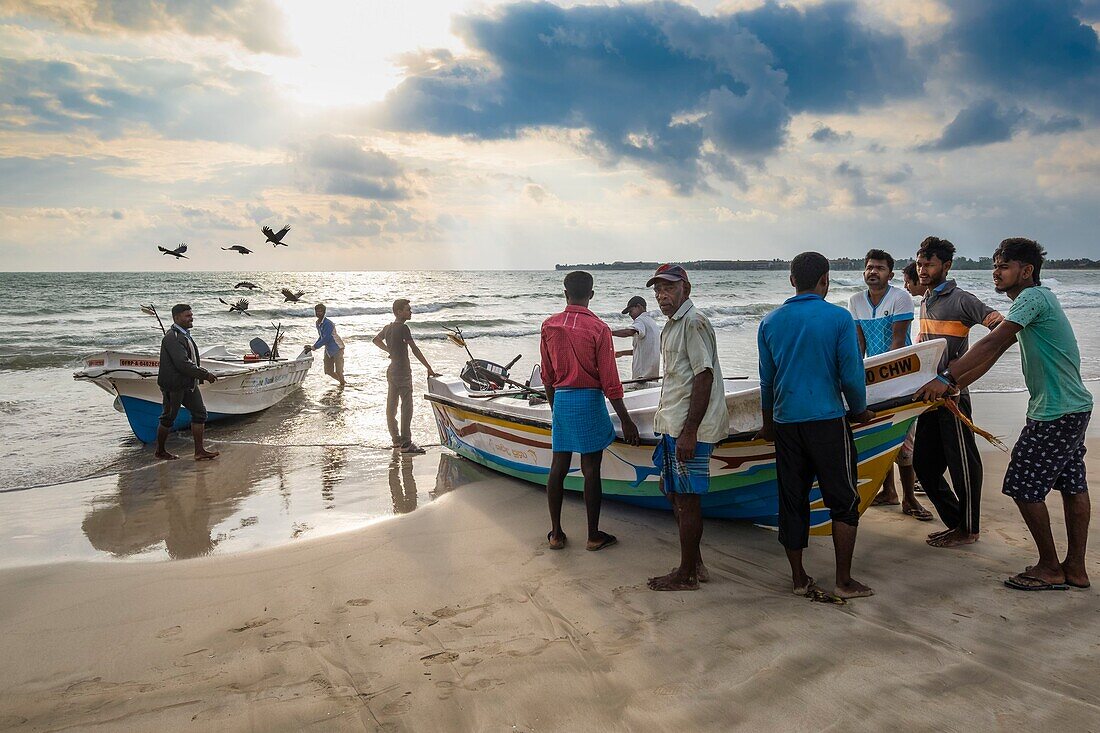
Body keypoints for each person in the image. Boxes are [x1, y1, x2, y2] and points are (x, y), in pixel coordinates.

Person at [916, 238, 1093, 590]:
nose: (996, 272)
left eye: (1004, 266)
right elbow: (993, 352)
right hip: (1073, 406)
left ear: (1026, 271)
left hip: (1054, 412)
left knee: (1023, 486)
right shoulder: (1035, 304)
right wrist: (956, 385)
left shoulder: (1032, 298)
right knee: (1073, 485)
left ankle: (1049, 566)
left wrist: (947, 376)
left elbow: (992, 342)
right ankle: (1074, 568)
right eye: (995, 265)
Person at [757, 252, 876, 599]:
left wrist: (768, 426)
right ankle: (843, 579)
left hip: (785, 424)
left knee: (792, 501)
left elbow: (768, 382)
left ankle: (798, 578)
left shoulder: (770, 322)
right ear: (826, 279)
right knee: (843, 500)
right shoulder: (839, 319)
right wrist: (860, 410)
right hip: (827, 422)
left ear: (792, 280)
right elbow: (851, 376)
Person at [541, 271, 641, 552]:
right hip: (589, 401)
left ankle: (557, 534)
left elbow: (547, 376)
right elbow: (611, 381)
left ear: (564, 293)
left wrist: (556, 407)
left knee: (558, 467)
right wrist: (626, 420)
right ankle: (593, 535)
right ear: (592, 295)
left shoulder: (549, 326)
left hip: (562, 399)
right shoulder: (599, 329)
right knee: (590, 469)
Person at [913, 236, 1003, 548]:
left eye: (929, 264)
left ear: (946, 266)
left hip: (952, 396)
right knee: (923, 465)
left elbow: (999, 326)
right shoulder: (926, 299)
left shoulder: (961, 299)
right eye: (920, 264)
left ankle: (969, 528)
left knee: (962, 462)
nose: (922, 269)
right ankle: (957, 523)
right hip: (929, 398)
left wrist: (961, 370)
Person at [644, 265, 730, 591]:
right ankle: (695, 563)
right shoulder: (672, 326)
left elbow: (703, 376)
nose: (662, 296)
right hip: (673, 422)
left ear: (686, 289)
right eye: (658, 290)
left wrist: (690, 431)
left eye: (668, 288)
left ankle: (688, 574)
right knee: (673, 491)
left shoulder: (693, 323)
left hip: (687, 427)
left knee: (687, 498)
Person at [847, 250, 931, 521]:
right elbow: (859, 344)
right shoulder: (856, 301)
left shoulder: (900, 297)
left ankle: (909, 498)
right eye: (870, 267)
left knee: (905, 440)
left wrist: (886, 380)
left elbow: (897, 342)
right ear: (864, 272)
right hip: (872, 377)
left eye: (880, 268)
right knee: (879, 436)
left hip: (899, 377)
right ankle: (888, 492)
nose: (874, 272)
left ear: (890, 274)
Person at [373, 299, 440, 454]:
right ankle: (406, 443)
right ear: (399, 312)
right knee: (406, 406)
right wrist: (428, 367)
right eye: (408, 309)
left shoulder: (388, 328)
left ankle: (396, 440)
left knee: (391, 406)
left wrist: (389, 350)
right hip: (403, 371)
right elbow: (414, 349)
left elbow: (376, 340)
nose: (410, 312)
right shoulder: (404, 328)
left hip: (392, 371)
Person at [154, 303, 219, 461]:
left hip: (189, 384)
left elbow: (190, 361)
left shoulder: (184, 335)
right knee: (168, 418)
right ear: (177, 318)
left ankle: (199, 451)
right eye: (187, 315)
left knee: (200, 414)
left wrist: (197, 377)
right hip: (174, 385)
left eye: (191, 314)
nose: (191, 318)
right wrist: (205, 375)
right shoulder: (172, 337)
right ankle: (160, 451)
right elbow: (182, 363)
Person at [612, 295, 661, 386]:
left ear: (639, 306)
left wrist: (608, 332)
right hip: (652, 377)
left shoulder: (640, 320)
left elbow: (629, 332)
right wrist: (622, 353)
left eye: (631, 311)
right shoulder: (651, 323)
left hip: (642, 378)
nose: (630, 314)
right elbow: (643, 350)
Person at [305, 303, 346, 386]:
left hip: (337, 348)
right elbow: (321, 337)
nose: (318, 313)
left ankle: (342, 385)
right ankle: (343, 383)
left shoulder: (328, 323)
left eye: (320, 311)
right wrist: (313, 346)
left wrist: (314, 347)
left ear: (324, 312)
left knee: (339, 371)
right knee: (328, 371)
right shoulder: (318, 323)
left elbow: (326, 338)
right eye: (317, 311)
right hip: (328, 349)